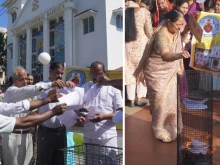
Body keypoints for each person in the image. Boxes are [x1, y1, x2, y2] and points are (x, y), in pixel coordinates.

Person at [134, 9, 190, 143]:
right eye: (178, 25)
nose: (179, 28)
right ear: (169, 22)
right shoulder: (162, 35)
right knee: (160, 101)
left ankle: (172, 125)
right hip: (156, 72)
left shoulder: (173, 28)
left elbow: (179, 38)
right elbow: (165, 55)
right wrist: (179, 55)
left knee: (171, 99)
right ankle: (159, 128)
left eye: (181, 25)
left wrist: (186, 30)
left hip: (169, 71)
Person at [2, 66, 67, 165]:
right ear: (14, 80)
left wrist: (65, 86)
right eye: (22, 79)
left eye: (26, 78)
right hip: (13, 136)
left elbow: (42, 95)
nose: (25, 81)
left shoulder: (26, 90)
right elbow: (31, 90)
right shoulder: (11, 91)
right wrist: (52, 84)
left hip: (28, 135)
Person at [37, 62, 75, 165]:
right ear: (50, 71)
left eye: (62, 73)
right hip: (46, 132)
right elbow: (46, 95)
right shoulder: (42, 85)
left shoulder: (64, 87)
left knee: (60, 161)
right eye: (58, 73)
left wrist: (72, 87)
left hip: (61, 131)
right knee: (44, 160)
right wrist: (56, 87)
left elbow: (75, 101)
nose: (60, 76)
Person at [81, 61, 123, 154]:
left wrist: (104, 116)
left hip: (107, 137)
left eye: (99, 73)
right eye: (93, 73)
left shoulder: (113, 88)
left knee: (110, 162)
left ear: (105, 73)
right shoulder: (85, 87)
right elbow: (79, 107)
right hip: (89, 135)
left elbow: (120, 111)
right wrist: (80, 115)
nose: (96, 76)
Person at [125, 0, 153, 107]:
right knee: (141, 71)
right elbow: (149, 32)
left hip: (127, 45)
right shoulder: (144, 12)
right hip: (141, 45)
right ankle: (139, 98)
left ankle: (131, 100)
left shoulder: (126, 11)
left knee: (130, 72)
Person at [0, 103, 66, 134]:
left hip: (28, 134)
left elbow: (14, 106)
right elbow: (23, 122)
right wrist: (53, 111)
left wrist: (48, 99)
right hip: (14, 135)